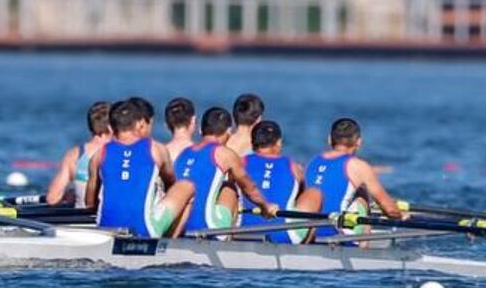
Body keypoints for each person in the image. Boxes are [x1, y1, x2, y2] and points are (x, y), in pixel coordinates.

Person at [84, 98, 191, 238]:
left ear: (111, 127)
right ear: (140, 124)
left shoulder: (98, 155)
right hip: (144, 231)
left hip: (105, 232)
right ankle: (169, 242)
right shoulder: (156, 149)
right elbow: (171, 183)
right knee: (186, 186)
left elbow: (90, 202)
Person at [169, 107, 286, 235]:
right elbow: (250, 189)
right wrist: (265, 206)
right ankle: (229, 238)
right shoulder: (225, 154)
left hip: (179, 227)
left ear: (201, 130)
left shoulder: (183, 154)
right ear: (229, 131)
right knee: (230, 187)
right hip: (208, 228)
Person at [303, 117, 405, 238]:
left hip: (306, 231)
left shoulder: (312, 162)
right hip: (333, 233)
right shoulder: (359, 166)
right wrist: (402, 216)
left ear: (330, 140)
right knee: (362, 194)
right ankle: (363, 251)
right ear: (359, 142)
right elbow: (390, 210)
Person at [239, 120, 322, 243]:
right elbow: (301, 196)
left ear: (252, 144)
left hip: (241, 231)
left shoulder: (239, 163)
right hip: (283, 235)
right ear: (278, 143)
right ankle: (306, 248)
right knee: (315, 193)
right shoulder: (294, 167)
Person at [44, 101, 112, 206]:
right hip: (108, 218)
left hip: (81, 216)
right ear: (112, 126)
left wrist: (71, 194)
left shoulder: (74, 155)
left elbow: (52, 198)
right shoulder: (119, 153)